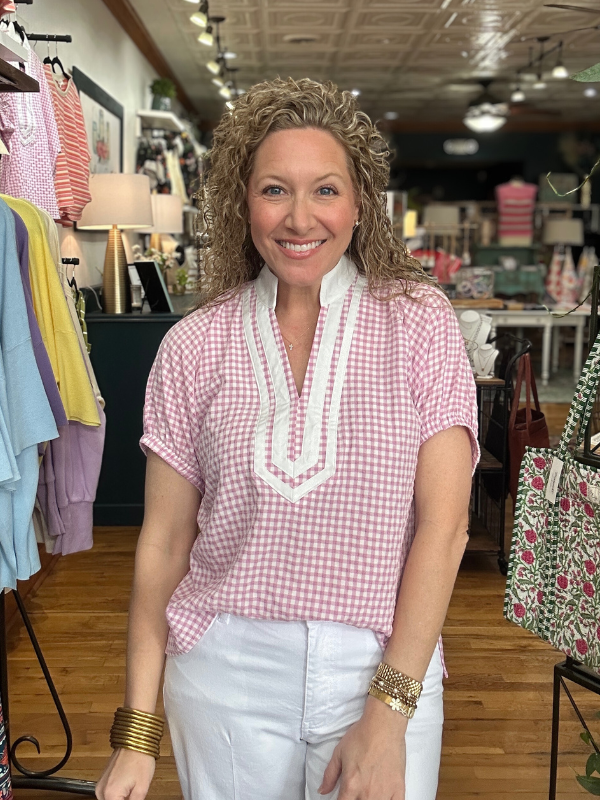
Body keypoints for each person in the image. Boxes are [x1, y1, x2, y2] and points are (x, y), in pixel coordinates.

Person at [96, 77, 479, 800]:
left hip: (381, 666)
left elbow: (446, 525)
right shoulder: (193, 345)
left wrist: (389, 711)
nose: (300, 217)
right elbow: (164, 544)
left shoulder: (420, 323)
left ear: (360, 203)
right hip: (224, 675)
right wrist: (136, 734)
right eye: (274, 190)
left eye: (325, 190)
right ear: (243, 203)